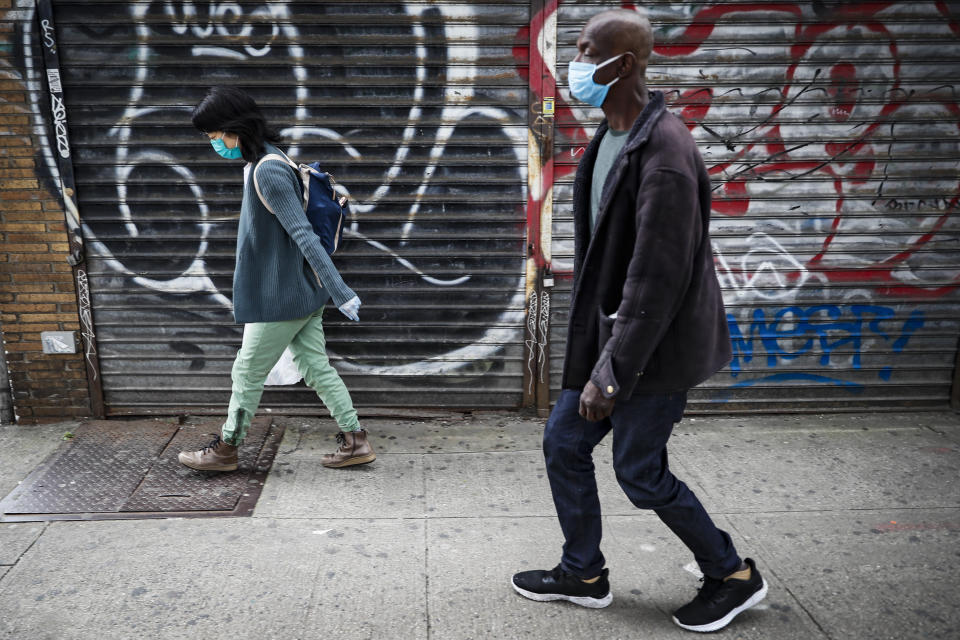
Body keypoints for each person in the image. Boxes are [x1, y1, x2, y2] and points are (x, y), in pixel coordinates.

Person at [510, 9, 767, 633]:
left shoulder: (667, 153)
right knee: (564, 444)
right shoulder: (609, 138)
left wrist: (613, 374)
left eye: (583, 49)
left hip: (654, 344)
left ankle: (733, 575)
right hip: (614, 336)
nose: (572, 64)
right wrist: (599, 358)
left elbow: (656, 278)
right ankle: (584, 572)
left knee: (639, 471)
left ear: (622, 64)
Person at [177, 86, 375, 472]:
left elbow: (303, 235)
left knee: (247, 372)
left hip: (282, 295)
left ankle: (227, 449)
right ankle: (356, 440)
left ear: (235, 127)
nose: (215, 143)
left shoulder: (268, 169)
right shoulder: (265, 161)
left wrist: (341, 291)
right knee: (317, 368)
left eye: (216, 135)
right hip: (298, 292)